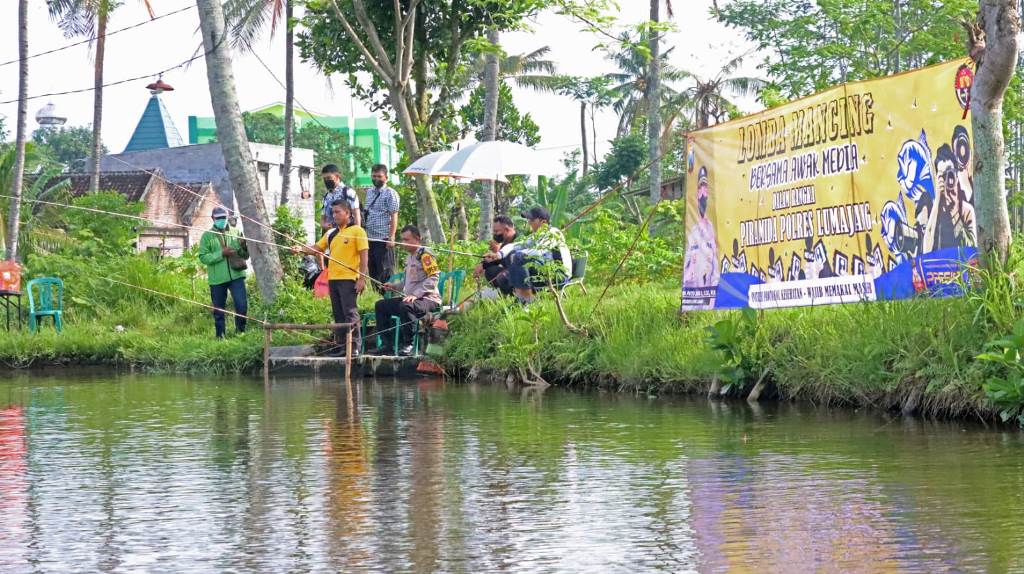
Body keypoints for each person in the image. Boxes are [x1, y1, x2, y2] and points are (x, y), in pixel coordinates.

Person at [291, 200, 368, 356]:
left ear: (348, 213)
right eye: (333, 212)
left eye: (338, 212)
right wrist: (301, 249)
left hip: (349, 278)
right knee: (338, 313)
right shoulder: (331, 233)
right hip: (333, 279)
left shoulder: (357, 231)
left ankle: (354, 347)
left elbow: (364, 255)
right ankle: (341, 347)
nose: (334, 215)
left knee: (350, 312)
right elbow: (316, 248)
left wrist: (362, 278)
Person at [370, 225, 441, 356]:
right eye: (402, 239)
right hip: (411, 299)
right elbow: (408, 281)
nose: (403, 243)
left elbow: (434, 277)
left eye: (407, 240)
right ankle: (387, 345)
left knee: (406, 306)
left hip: (428, 299)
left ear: (417, 239)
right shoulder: (409, 257)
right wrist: (394, 286)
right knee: (380, 306)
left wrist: (416, 294)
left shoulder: (425, 255)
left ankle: (409, 344)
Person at [487, 206, 571, 305]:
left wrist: (518, 255)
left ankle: (526, 300)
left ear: (543, 222)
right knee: (504, 278)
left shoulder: (553, 233)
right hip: (545, 271)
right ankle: (521, 298)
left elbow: (539, 251)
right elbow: (515, 245)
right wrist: (498, 255)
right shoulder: (535, 236)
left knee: (518, 256)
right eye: (528, 219)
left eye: (531, 219)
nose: (529, 222)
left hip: (560, 275)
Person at [198, 205, 249, 338]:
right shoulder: (207, 236)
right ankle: (220, 336)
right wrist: (221, 253)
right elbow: (203, 257)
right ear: (213, 218)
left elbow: (245, 256)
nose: (222, 220)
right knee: (219, 310)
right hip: (217, 279)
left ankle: (240, 333)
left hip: (237, 275)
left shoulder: (236, 232)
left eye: (224, 217)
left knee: (242, 306)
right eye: (219, 218)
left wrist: (244, 247)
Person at [363, 164, 400, 292]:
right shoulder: (369, 192)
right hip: (369, 238)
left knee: (385, 270)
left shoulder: (390, 193)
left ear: (386, 177)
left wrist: (391, 237)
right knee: (373, 270)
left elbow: (394, 215)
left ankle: (389, 296)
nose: (376, 179)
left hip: (383, 238)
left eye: (379, 176)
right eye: (374, 176)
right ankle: (376, 296)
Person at [683, 166, 719, 289]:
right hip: (695, 276)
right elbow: (689, 254)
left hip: (708, 276)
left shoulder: (710, 228)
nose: (703, 195)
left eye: (705, 191)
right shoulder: (693, 231)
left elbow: (714, 254)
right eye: (700, 190)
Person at [474, 215, 518, 297]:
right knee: (490, 270)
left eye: (497, 231)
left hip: (520, 276)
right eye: (494, 232)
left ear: (507, 229)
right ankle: (505, 294)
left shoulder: (520, 241)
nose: (495, 234)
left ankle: (516, 294)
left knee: (498, 273)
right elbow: (498, 260)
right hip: (511, 275)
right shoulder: (505, 243)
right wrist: (483, 265)